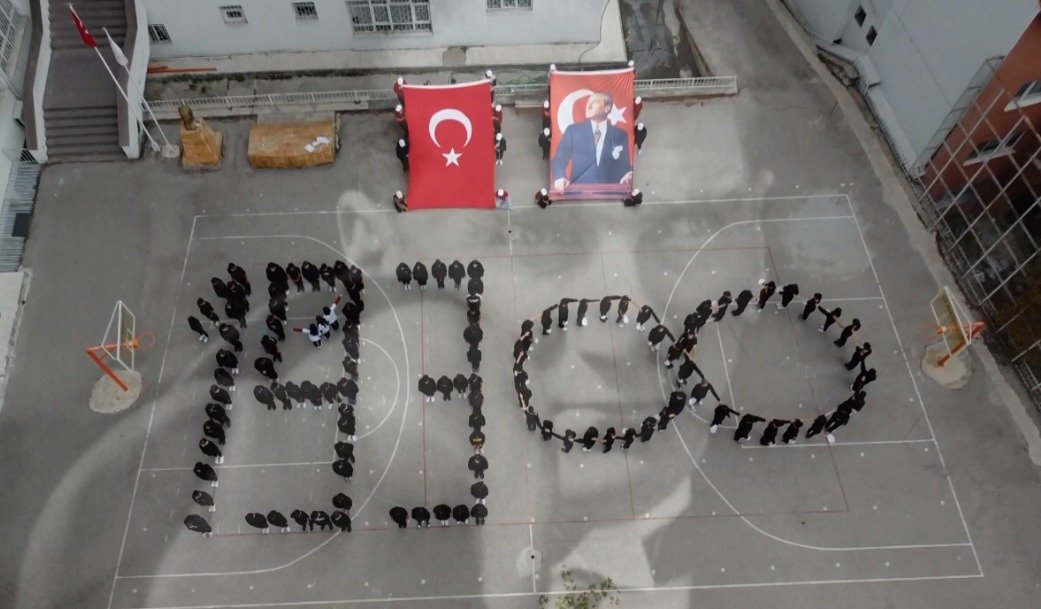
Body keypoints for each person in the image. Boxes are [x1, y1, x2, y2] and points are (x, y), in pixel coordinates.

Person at [551, 92, 633, 193]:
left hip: (609, 193)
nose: (588, 106)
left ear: (607, 108)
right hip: (578, 192)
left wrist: (627, 174)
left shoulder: (620, 134)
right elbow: (559, 159)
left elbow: (624, 165)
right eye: (588, 102)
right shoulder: (573, 131)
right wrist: (560, 177)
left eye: (594, 102)